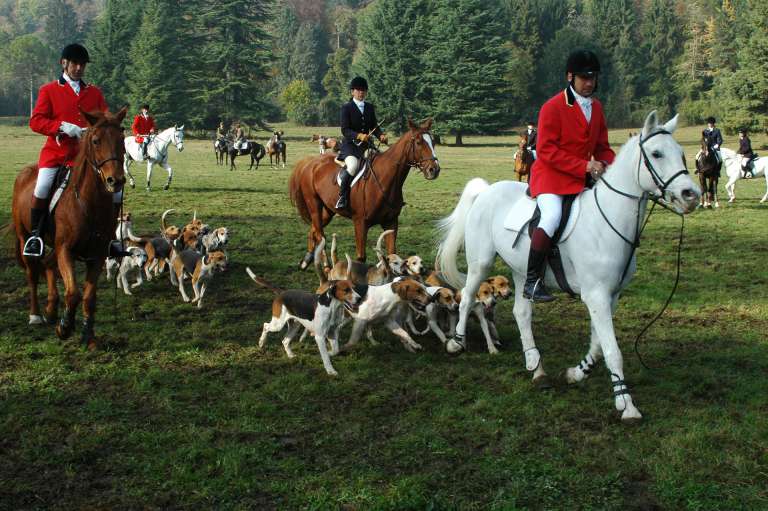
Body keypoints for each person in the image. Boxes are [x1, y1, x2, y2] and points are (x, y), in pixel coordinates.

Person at [524, 49, 615, 302]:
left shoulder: (596, 107)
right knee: (551, 217)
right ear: (570, 77)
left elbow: (603, 147)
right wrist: (584, 166)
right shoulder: (552, 107)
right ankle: (532, 281)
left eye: (593, 77)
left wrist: (607, 164)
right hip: (551, 178)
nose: (589, 83)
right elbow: (546, 151)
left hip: (582, 179)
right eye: (584, 77)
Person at [24, 43, 127, 258]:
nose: (79, 68)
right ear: (64, 63)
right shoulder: (49, 90)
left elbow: (105, 118)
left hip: (90, 158)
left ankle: (111, 238)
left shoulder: (94, 92)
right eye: (75, 64)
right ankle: (35, 236)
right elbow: (36, 121)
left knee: (116, 190)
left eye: (82, 64)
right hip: (57, 155)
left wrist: (106, 127)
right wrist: (61, 127)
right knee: (42, 186)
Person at [336, 76, 388, 209]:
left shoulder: (369, 107)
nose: (361, 92)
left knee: (381, 163)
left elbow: (374, 126)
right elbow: (345, 130)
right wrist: (359, 135)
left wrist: (381, 135)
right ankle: (342, 197)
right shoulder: (346, 108)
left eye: (363, 90)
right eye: (358, 90)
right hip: (350, 146)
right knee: (353, 166)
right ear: (352, 91)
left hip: (366, 146)